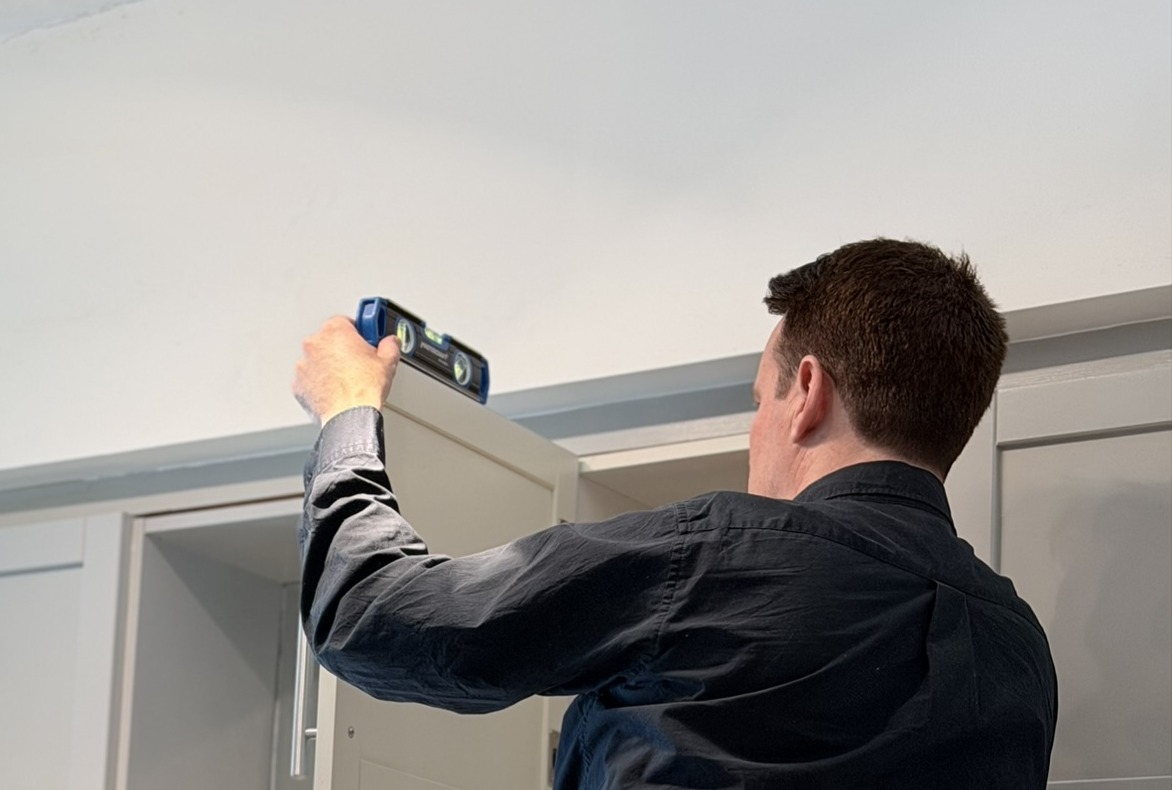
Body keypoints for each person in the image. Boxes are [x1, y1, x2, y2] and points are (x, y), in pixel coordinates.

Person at [293, 238, 1058, 788]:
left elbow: (368, 614)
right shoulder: (1019, 655)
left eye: (760, 400)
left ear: (811, 394)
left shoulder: (710, 559)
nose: (755, 429)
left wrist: (347, 412)